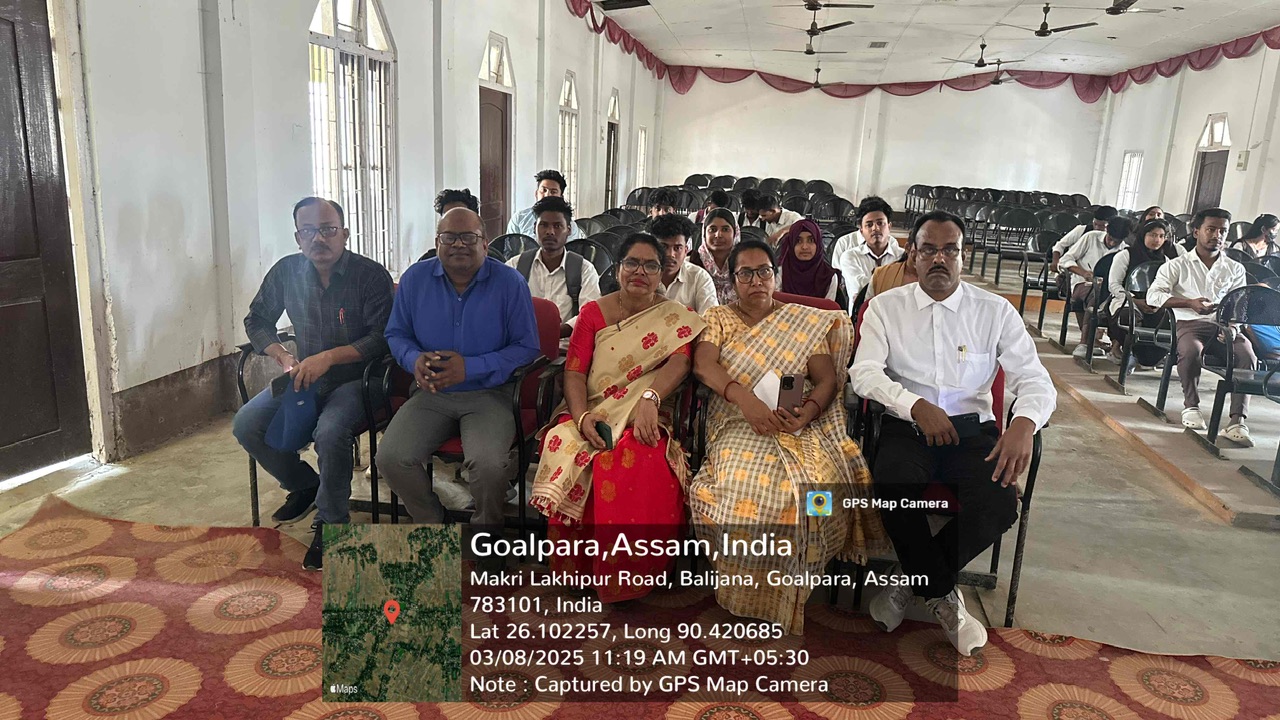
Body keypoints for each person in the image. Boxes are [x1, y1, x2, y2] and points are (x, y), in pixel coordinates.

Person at [850, 210, 1056, 657]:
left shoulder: (994, 311)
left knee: (999, 504)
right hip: (908, 427)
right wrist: (914, 405)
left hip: (973, 432)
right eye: (929, 250)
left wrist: (1024, 423)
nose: (939, 259)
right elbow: (864, 373)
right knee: (893, 485)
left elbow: (1035, 379)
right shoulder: (886, 307)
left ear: (964, 256)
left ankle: (912, 581)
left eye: (950, 250)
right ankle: (942, 592)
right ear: (913, 255)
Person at [690, 239, 888, 635]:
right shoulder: (718, 318)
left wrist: (807, 413)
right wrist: (744, 399)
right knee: (744, 489)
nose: (756, 281)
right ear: (732, 280)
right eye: (745, 274)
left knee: (810, 491)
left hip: (799, 423)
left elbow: (826, 379)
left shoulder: (802, 321)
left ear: (775, 275)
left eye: (764, 271)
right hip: (737, 422)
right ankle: (748, 595)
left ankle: (788, 594)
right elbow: (703, 366)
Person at [530, 234, 706, 602]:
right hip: (590, 405)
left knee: (636, 455)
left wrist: (650, 398)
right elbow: (574, 372)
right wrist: (581, 418)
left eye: (651, 265)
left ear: (662, 273)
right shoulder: (594, 313)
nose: (640, 272)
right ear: (618, 269)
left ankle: (629, 576)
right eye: (632, 263)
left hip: (647, 409)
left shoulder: (674, 316)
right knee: (564, 443)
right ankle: (578, 570)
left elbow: (680, 362)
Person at [234, 197, 394, 571]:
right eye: (308, 231)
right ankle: (304, 485)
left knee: (331, 431)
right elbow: (257, 320)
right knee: (247, 424)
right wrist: (281, 355)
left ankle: (332, 523)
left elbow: (383, 337)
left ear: (345, 234)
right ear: (297, 237)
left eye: (327, 229)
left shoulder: (370, 275)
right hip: (304, 376)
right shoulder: (286, 272)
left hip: (360, 378)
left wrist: (330, 357)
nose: (318, 238)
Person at [377, 208, 543, 526]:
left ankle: (486, 533)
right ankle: (434, 524)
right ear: (437, 242)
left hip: (490, 393)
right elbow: (396, 334)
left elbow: (527, 347)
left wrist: (472, 367)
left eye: (468, 237)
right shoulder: (414, 280)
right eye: (449, 237)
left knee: (489, 466)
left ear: (485, 243)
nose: (458, 244)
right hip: (431, 393)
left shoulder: (510, 283)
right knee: (391, 458)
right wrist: (413, 359)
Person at [1146, 207, 1255, 444]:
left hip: (1223, 327)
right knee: (1190, 350)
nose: (1217, 235)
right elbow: (1153, 296)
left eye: (1223, 231)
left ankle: (1237, 420)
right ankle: (1191, 406)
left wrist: (1233, 327)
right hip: (1189, 324)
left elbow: (1240, 305)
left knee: (1247, 354)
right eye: (1211, 229)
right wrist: (1188, 303)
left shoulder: (1235, 268)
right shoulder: (1177, 265)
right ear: (1196, 231)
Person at [507, 196, 601, 338]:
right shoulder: (515, 266)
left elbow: (589, 314)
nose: (550, 231)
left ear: (569, 230)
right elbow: (500, 307)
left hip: (565, 347)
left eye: (557, 226)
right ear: (534, 228)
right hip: (521, 345)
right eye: (544, 225)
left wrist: (553, 333)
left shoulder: (584, 270)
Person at [1107, 218, 1185, 373]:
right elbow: (1114, 285)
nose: (1157, 240)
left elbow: (1169, 287)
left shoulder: (1166, 261)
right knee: (1128, 317)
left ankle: (1153, 355)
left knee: (1171, 320)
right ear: (1143, 235)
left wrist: (1158, 302)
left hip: (1155, 303)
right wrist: (1135, 301)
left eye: (1161, 236)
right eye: (1153, 235)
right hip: (1127, 299)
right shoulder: (1126, 255)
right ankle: (1127, 352)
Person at [1060, 217, 1132, 359]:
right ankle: (1084, 343)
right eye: (1110, 238)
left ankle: (1112, 343)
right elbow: (1065, 260)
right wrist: (1084, 273)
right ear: (1106, 231)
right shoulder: (1090, 237)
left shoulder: (1125, 250)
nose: (1112, 243)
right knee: (1096, 295)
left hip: (1108, 289)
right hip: (1082, 283)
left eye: (1116, 241)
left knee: (1118, 302)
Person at [835, 197, 903, 304]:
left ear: (889, 226)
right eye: (869, 225)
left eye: (880, 223)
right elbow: (861, 289)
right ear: (861, 230)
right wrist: (893, 288)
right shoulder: (850, 256)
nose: (875, 228)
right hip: (863, 313)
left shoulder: (902, 256)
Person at [650, 213, 719, 314]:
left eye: (677, 248)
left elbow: (710, 319)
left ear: (686, 251)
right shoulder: (642, 275)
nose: (670, 254)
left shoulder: (699, 278)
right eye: (663, 247)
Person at [506, 169, 584, 241]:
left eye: (553, 192)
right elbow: (510, 248)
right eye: (544, 190)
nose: (547, 195)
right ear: (536, 193)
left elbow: (571, 249)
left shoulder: (570, 225)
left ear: (561, 196)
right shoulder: (519, 218)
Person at [778, 219, 841, 302]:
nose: (804, 247)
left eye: (811, 240)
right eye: (798, 241)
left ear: (818, 244)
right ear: (791, 244)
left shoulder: (829, 277)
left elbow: (827, 308)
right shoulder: (780, 273)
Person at [690, 208, 741, 304]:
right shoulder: (692, 263)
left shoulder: (744, 263)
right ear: (704, 233)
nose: (718, 235)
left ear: (735, 233)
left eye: (725, 229)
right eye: (712, 230)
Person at [1050, 205, 1117, 271]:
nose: (1097, 228)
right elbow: (1060, 245)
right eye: (1095, 224)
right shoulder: (1082, 230)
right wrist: (1055, 261)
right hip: (1072, 270)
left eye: (1102, 226)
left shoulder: (1114, 241)